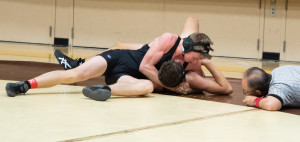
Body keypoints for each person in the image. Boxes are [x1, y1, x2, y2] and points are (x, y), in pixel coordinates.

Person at [5, 16, 232, 101]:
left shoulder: (192, 60)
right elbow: (145, 65)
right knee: (74, 75)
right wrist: (171, 88)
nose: (200, 59)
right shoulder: (171, 39)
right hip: (123, 60)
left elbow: (193, 20)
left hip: (127, 77)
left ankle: (102, 91)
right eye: (199, 55)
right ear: (189, 45)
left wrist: (205, 65)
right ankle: (25, 85)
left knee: (145, 87)